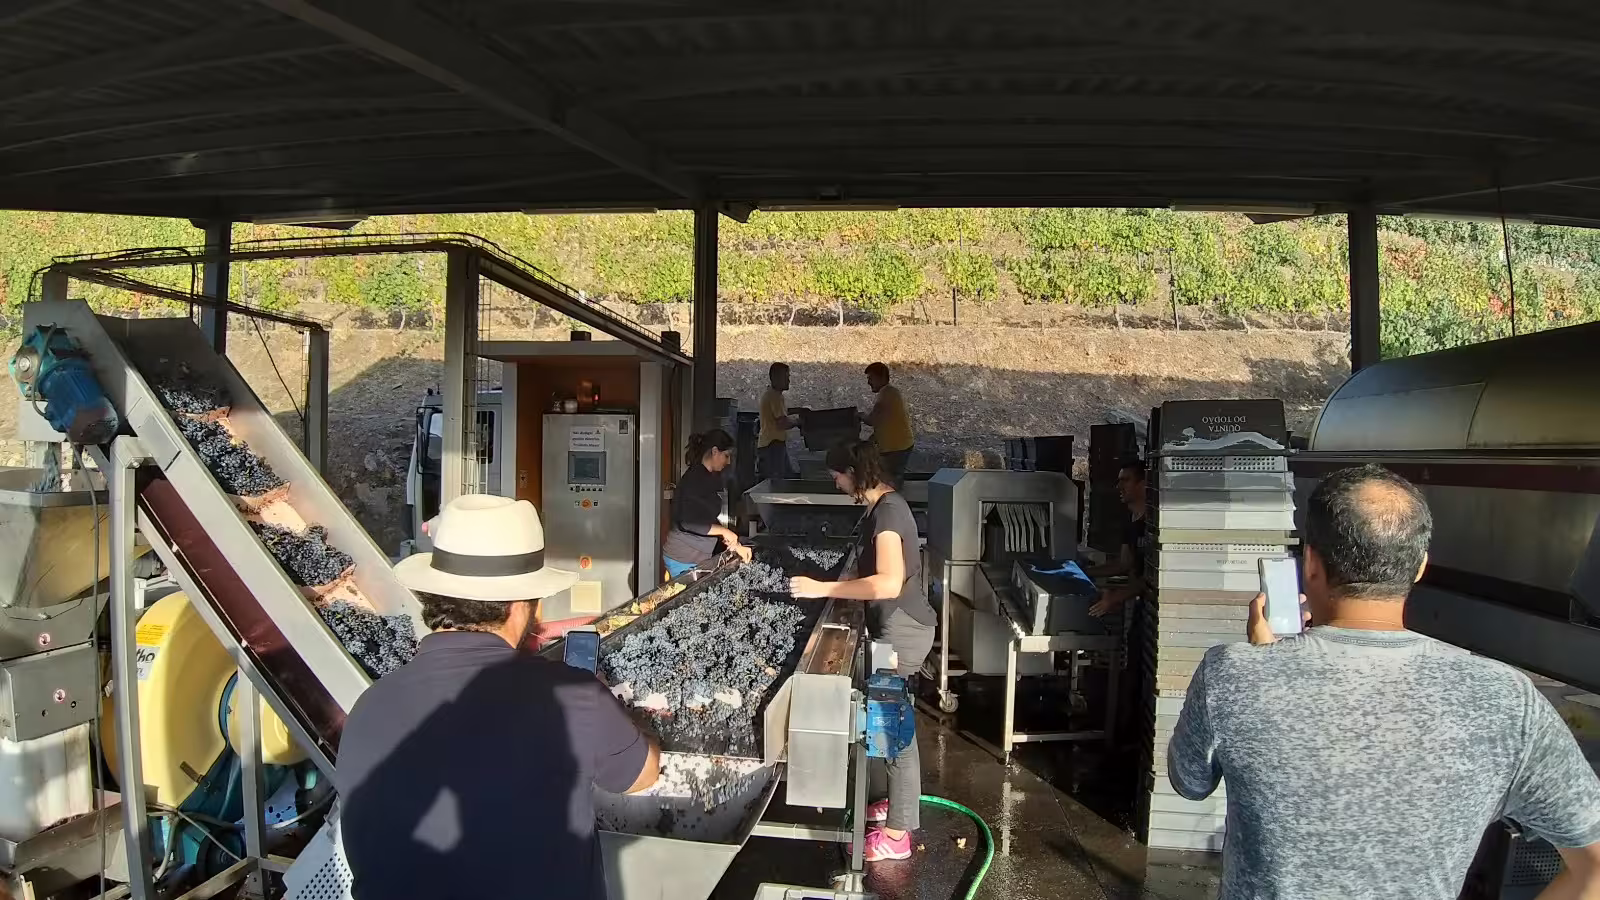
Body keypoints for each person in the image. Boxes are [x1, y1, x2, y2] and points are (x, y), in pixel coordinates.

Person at [1169, 465, 1600, 899]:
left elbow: (1189, 782)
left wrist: (1265, 664)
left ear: (1311, 564)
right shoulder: (1507, 699)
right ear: (1419, 568)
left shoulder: (1233, 674)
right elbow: (1594, 867)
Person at [339, 495, 661, 900]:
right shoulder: (567, 695)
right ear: (519, 606)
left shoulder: (369, 703)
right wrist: (628, 719)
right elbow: (642, 774)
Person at [790, 440, 936, 863]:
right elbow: (874, 570)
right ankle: (897, 806)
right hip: (896, 626)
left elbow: (889, 583)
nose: (836, 481)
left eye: (838, 474)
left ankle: (897, 836)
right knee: (889, 723)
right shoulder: (881, 509)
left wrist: (826, 589)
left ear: (856, 472)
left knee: (894, 731)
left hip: (902, 630)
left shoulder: (889, 511)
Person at [663, 428, 752, 580]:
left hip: (696, 557)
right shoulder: (695, 479)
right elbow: (688, 523)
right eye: (726, 456)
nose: (728, 461)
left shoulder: (709, 477)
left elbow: (706, 517)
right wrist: (725, 532)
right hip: (683, 559)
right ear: (715, 451)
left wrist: (733, 543)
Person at [1086, 457, 1147, 618]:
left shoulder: (1153, 525)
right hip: (1141, 605)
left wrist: (1114, 598)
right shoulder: (1130, 521)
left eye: (1125, 480)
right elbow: (1123, 563)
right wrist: (1084, 572)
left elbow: (1150, 578)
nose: (1119, 486)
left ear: (1143, 484)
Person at [859, 362, 914, 486]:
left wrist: (860, 415)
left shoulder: (887, 393)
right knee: (890, 477)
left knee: (890, 480)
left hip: (896, 447)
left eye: (870, 378)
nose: (869, 382)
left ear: (881, 377)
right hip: (898, 445)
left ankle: (894, 501)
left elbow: (872, 420)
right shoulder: (890, 393)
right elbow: (885, 423)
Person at [758, 362, 801, 480]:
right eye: (785, 377)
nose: (788, 381)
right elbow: (782, 423)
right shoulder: (775, 397)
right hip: (772, 446)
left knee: (786, 477)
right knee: (775, 482)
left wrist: (799, 410)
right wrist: (798, 422)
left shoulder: (772, 395)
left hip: (772, 444)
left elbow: (781, 413)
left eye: (789, 377)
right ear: (776, 378)